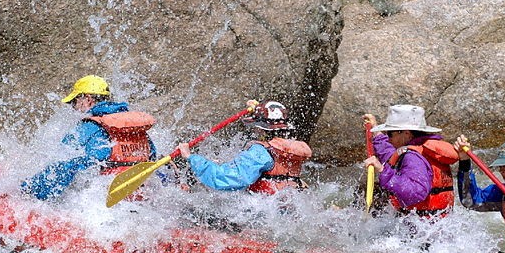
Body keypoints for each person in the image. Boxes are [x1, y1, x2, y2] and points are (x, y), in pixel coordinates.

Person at [21, 75, 158, 200]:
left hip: (106, 199)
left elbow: (64, 166)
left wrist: (29, 190)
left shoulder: (89, 127)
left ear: (87, 99)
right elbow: (153, 159)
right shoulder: (134, 127)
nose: (74, 108)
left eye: (74, 102)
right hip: (140, 196)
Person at [177, 100, 312, 194]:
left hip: (259, 215)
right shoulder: (291, 149)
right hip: (285, 209)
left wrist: (191, 157)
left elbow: (224, 179)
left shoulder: (260, 153)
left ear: (261, 129)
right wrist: (259, 108)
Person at [363, 104, 458, 218]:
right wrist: (376, 132)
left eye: (390, 133)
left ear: (406, 133)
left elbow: (415, 193)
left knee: (367, 192)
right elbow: (391, 156)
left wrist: (383, 170)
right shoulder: (420, 148)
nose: (388, 138)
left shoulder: (413, 157)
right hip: (436, 222)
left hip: (420, 226)